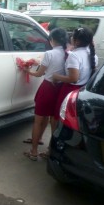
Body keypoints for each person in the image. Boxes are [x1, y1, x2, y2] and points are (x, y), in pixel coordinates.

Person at [22, 28, 68, 161]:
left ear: (52, 40)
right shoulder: (68, 54)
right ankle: (49, 150)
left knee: (38, 121)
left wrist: (27, 71)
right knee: (51, 120)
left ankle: (34, 151)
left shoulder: (49, 53)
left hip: (47, 88)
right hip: (59, 89)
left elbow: (39, 73)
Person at [53, 27, 97, 127]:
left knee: (59, 116)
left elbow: (73, 78)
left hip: (69, 90)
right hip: (82, 89)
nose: (71, 37)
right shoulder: (91, 54)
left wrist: (56, 76)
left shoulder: (74, 56)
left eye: (72, 36)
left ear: (76, 41)